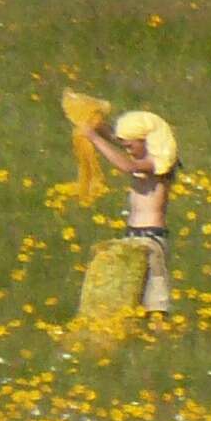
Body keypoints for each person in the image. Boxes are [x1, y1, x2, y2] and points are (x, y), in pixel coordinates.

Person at [79, 110, 179, 314]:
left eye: (131, 146)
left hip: (151, 240)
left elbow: (128, 166)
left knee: (155, 306)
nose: (129, 150)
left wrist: (94, 138)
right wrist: (98, 126)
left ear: (145, 140)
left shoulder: (159, 164)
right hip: (132, 238)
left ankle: (160, 338)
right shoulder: (143, 154)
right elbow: (119, 141)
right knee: (128, 301)